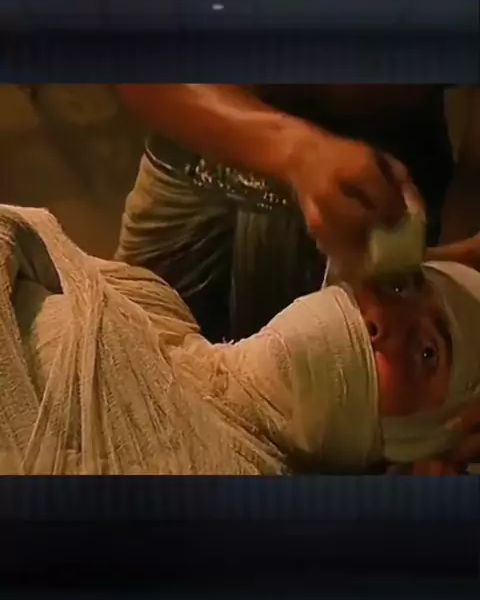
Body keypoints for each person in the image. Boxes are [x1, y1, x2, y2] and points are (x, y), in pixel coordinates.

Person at [2, 203, 480, 476]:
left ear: (415, 440)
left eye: (427, 354)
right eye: (399, 287)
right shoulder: (153, 303)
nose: (380, 322)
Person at [115, 84, 480, 341]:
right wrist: (296, 151)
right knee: (130, 381)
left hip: (388, 218)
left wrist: (456, 286)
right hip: (191, 166)